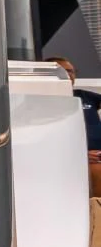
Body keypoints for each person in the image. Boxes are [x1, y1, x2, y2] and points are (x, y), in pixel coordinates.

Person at [48, 57, 101, 198]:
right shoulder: (44, 100)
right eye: (63, 71)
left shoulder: (84, 95)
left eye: (71, 71)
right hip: (78, 159)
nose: (69, 75)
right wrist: (80, 155)